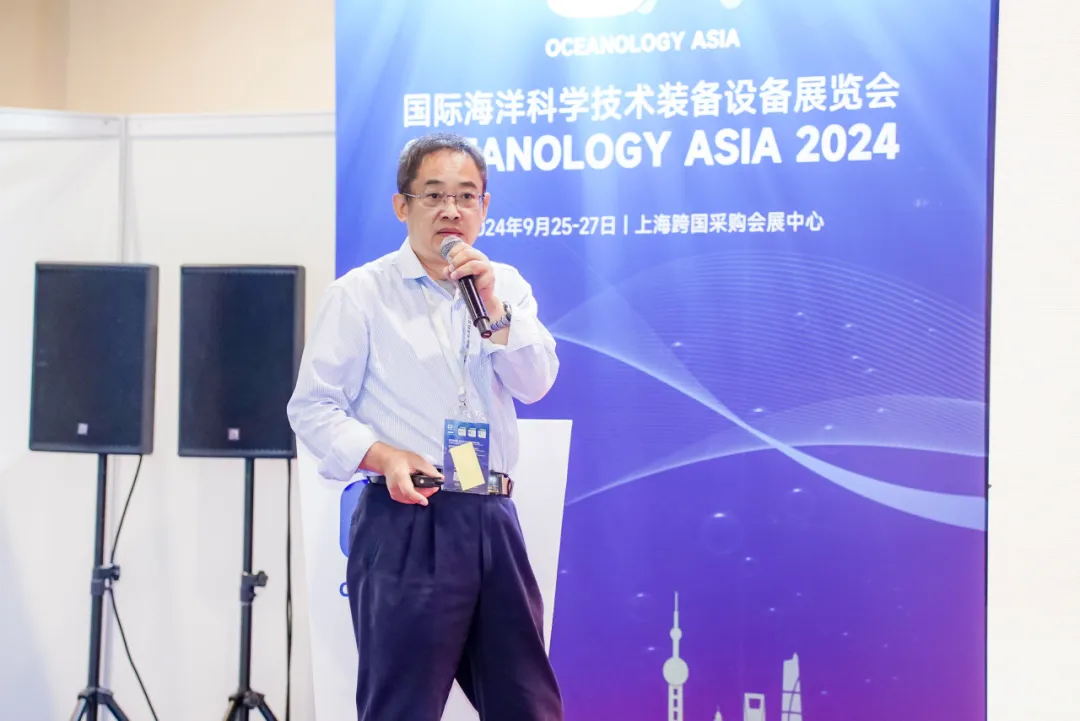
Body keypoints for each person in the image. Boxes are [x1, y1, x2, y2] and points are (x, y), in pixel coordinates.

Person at [287, 132, 564, 720]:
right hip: (410, 517)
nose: (451, 210)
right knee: (402, 709)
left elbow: (536, 383)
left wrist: (494, 309)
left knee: (529, 706)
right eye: (434, 195)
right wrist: (382, 455)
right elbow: (311, 406)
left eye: (466, 196)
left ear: (484, 207)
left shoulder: (504, 286)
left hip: (491, 515)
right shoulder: (361, 294)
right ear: (402, 205)